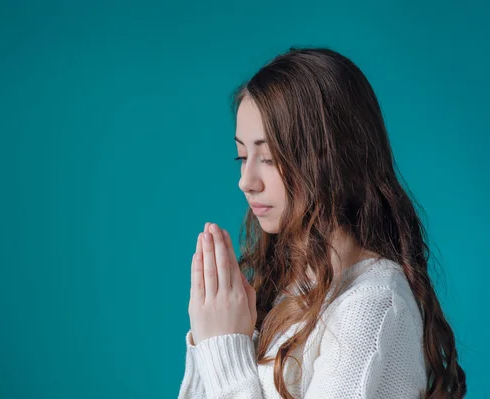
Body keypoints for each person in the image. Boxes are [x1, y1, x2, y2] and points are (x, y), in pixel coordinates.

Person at [177, 47, 466, 399]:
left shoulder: (371, 304)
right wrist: (211, 340)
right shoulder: (291, 291)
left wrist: (224, 347)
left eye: (268, 158)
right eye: (242, 156)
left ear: (332, 157)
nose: (246, 180)